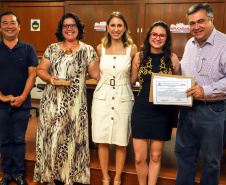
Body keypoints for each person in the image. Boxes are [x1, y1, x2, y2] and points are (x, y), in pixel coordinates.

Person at [33, 13, 99, 185]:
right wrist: (50, 79)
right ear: (61, 30)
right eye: (66, 26)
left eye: (73, 25)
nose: (69, 28)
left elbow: (96, 74)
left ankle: (72, 177)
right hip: (52, 103)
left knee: (73, 140)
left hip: (76, 105)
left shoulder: (88, 50)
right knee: (53, 138)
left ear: (78, 28)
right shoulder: (52, 48)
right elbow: (40, 70)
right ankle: (51, 176)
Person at [174, 3, 226, 185]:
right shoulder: (189, 44)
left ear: (212, 20)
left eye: (201, 21)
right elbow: (185, 75)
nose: (196, 26)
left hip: (212, 111)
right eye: (192, 23)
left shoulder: (224, 43)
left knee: (211, 162)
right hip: (187, 109)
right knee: (183, 156)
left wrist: (206, 90)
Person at [130, 21, 180, 185]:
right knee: (139, 158)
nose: (157, 38)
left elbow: (179, 85)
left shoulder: (172, 58)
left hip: (162, 114)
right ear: (149, 36)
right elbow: (131, 81)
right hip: (141, 111)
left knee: (156, 156)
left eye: (162, 35)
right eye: (154, 34)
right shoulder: (140, 57)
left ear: (166, 38)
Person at [91, 12, 137, 185]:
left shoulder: (132, 49)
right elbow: (95, 72)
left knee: (121, 140)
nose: (116, 29)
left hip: (123, 96)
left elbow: (133, 78)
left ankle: (117, 178)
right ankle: (105, 177)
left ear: (125, 28)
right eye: (113, 25)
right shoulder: (99, 48)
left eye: (119, 25)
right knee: (102, 140)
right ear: (107, 28)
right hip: (102, 97)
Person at [0, 12, 38, 185]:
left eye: (13, 23)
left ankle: (19, 174)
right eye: (5, 23)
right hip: (1, 105)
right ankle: (7, 173)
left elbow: (32, 75)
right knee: (5, 140)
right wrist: (1, 96)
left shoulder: (28, 48)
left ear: (19, 26)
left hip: (23, 104)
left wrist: (22, 97)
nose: (9, 26)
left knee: (19, 139)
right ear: (1, 27)